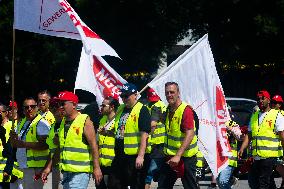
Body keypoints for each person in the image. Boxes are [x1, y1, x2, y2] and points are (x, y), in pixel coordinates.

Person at [55, 91, 102, 188]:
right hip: (66, 171)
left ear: (74, 105)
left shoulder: (84, 120)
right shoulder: (63, 122)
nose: (60, 106)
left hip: (80, 173)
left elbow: (94, 145)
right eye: (58, 104)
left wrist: (97, 168)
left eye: (63, 103)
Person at [108, 83, 151, 189]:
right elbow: (120, 130)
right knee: (114, 184)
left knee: (136, 185)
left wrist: (140, 156)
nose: (124, 99)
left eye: (126, 96)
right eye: (122, 96)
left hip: (134, 157)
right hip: (119, 155)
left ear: (135, 95)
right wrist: (107, 132)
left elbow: (144, 134)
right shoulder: (121, 109)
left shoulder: (142, 110)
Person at [239, 90, 284, 189]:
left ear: (268, 100)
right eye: (258, 99)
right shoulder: (255, 116)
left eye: (262, 98)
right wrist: (242, 148)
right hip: (256, 156)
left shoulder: (277, 115)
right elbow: (249, 135)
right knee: (255, 182)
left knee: (263, 183)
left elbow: (282, 136)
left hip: (269, 156)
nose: (260, 100)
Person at [158, 82, 198, 189]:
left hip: (185, 158)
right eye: (167, 93)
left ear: (178, 93)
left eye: (172, 92)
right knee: (163, 186)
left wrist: (178, 155)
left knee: (190, 187)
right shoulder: (168, 109)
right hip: (170, 157)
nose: (169, 95)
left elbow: (190, 133)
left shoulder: (186, 110)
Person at [10, 97, 51, 189]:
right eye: (26, 107)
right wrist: (13, 138)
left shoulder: (41, 123)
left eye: (32, 106)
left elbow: (45, 145)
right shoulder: (22, 122)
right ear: (23, 110)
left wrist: (23, 144)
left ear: (37, 108)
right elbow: (16, 143)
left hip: (38, 167)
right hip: (24, 165)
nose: (29, 109)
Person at [145, 88, 166, 189]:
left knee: (148, 173)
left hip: (156, 144)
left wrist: (145, 134)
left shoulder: (155, 107)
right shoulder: (163, 105)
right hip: (162, 142)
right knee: (159, 171)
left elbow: (152, 125)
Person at [41, 97, 64, 189]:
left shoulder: (66, 123)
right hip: (55, 165)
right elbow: (52, 149)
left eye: (56, 106)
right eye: (52, 106)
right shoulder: (53, 125)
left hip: (64, 166)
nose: (54, 109)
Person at [96, 96, 119, 189]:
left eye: (103, 105)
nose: (101, 107)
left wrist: (106, 132)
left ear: (112, 107)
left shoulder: (118, 120)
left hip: (113, 162)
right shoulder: (103, 120)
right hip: (101, 162)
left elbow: (119, 135)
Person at [0, 104, 23, 189]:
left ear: (5, 113)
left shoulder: (13, 126)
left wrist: (11, 171)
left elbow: (14, 150)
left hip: (7, 173)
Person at [271, 94, 284, 189]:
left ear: (280, 105)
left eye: (276, 103)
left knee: (278, 166)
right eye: (273, 102)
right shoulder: (269, 114)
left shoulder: (282, 114)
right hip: (272, 146)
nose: (273, 104)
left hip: (281, 146)